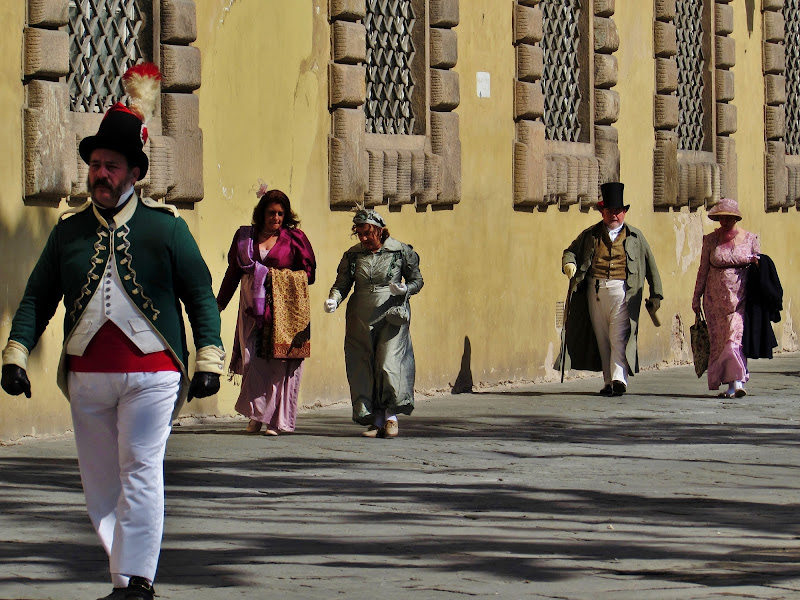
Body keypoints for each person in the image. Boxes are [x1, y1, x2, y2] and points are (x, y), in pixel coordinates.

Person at [0, 64, 224, 600]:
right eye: (95, 165)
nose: (99, 174)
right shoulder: (68, 233)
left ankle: (139, 583)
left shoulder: (167, 228)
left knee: (141, 471)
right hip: (87, 380)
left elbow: (199, 295)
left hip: (153, 377)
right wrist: (16, 352)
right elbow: (37, 298)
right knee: (100, 488)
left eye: (111, 165)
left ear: (133, 172)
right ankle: (125, 579)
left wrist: (208, 358)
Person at [216, 186, 316, 436]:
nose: (276, 218)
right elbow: (233, 272)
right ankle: (256, 414)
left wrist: (276, 277)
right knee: (251, 358)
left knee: (278, 363)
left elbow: (309, 274)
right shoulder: (244, 238)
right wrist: (218, 303)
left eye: (281, 214)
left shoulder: (295, 239)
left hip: (282, 308)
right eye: (272, 213)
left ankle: (275, 420)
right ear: (261, 213)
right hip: (251, 307)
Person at [324, 207, 423, 438]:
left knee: (388, 363)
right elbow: (342, 284)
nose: (364, 238)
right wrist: (334, 299)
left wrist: (405, 288)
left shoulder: (400, 252)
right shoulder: (353, 255)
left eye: (368, 233)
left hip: (391, 315)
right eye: (360, 234)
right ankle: (375, 421)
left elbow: (417, 280)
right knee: (363, 365)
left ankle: (391, 417)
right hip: (360, 317)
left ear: (380, 230)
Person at [561, 182, 663, 396]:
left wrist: (656, 295)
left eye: (617, 211)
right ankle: (608, 382)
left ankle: (619, 379)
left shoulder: (636, 237)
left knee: (619, 336)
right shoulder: (590, 235)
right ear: (602, 212)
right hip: (595, 290)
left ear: (624, 212)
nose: (614, 215)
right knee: (602, 337)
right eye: (609, 211)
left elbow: (651, 266)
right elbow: (570, 251)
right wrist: (569, 264)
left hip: (623, 291)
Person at [692, 198, 760, 398]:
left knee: (734, 338)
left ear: (736, 218)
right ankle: (731, 385)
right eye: (721, 217)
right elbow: (703, 269)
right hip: (715, 300)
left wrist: (756, 262)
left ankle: (738, 382)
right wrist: (696, 297)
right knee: (720, 342)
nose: (725, 221)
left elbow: (760, 269)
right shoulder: (710, 240)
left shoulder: (750, 239)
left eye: (728, 217)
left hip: (740, 297)